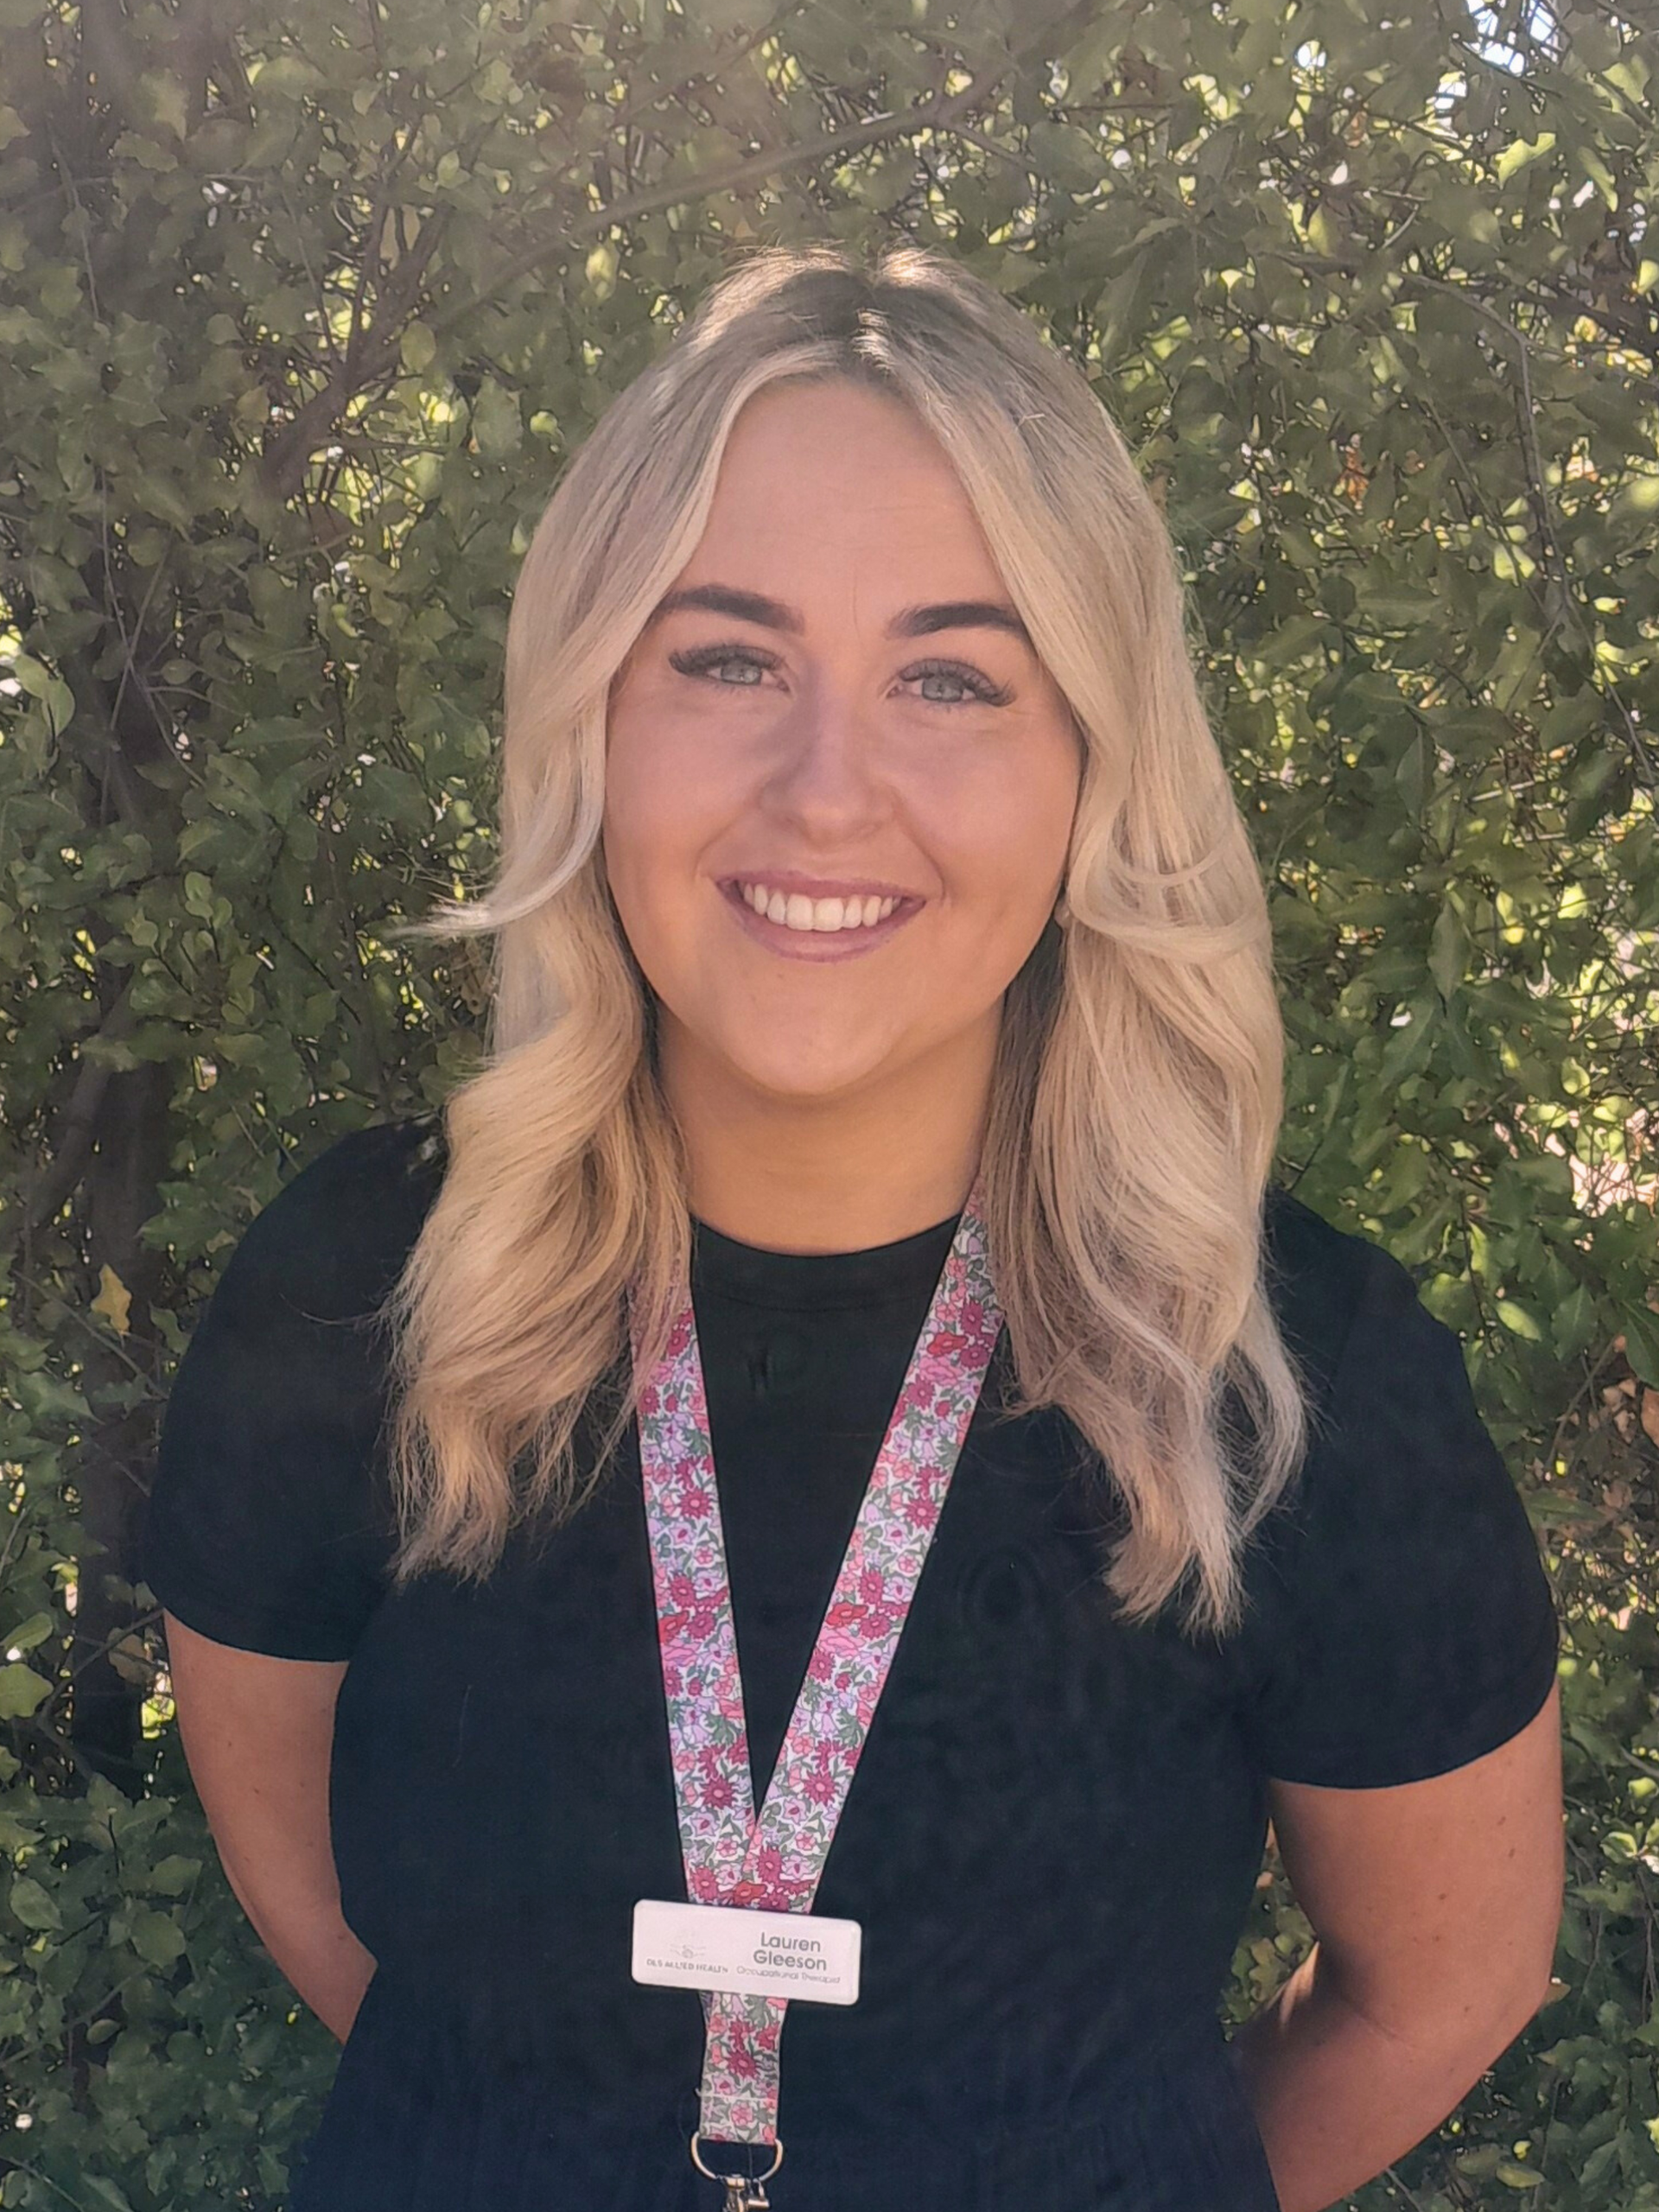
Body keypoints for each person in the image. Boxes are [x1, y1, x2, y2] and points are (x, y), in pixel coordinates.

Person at [141, 243, 1563, 2212]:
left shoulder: (1287, 1371)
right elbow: (336, 1922)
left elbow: (1440, 1989)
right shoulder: (363, 1295)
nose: (828, 792)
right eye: (728, 657)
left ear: (1091, 766)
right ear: (591, 721)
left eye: (952, 678)